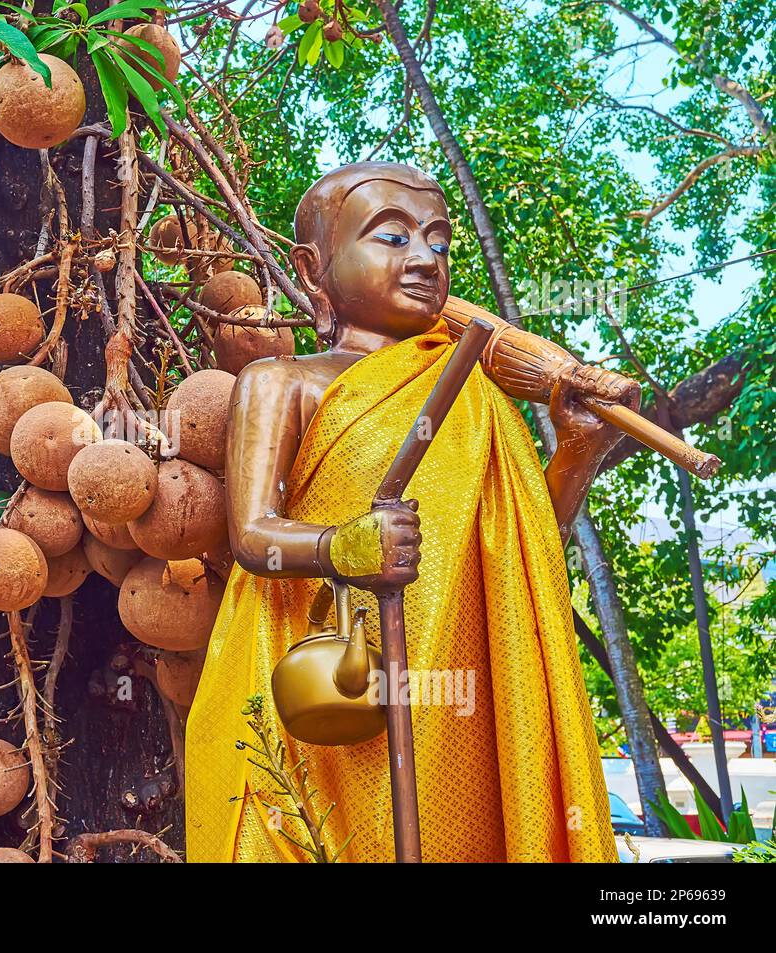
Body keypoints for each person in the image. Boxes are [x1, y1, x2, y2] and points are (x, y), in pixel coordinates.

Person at [186, 162, 635, 862]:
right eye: (392, 238)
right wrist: (344, 545)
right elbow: (251, 535)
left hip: (462, 698)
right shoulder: (284, 381)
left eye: (440, 241)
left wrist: (578, 450)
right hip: (331, 685)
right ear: (312, 270)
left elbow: (524, 555)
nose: (426, 258)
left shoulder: (473, 394)